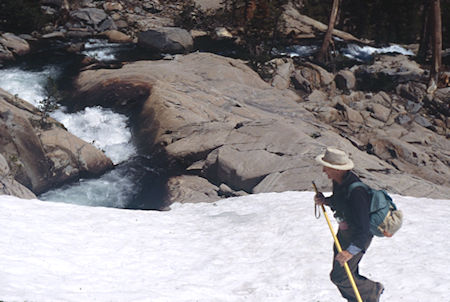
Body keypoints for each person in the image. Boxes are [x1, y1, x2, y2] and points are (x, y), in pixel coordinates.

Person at [314, 147, 384, 302]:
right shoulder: (339, 182)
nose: (324, 170)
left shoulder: (357, 191)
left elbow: (364, 228)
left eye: (327, 167)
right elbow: (341, 203)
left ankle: (373, 290)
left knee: (340, 277)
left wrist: (350, 251)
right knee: (347, 274)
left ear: (337, 169)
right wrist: (325, 201)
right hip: (345, 233)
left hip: (356, 238)